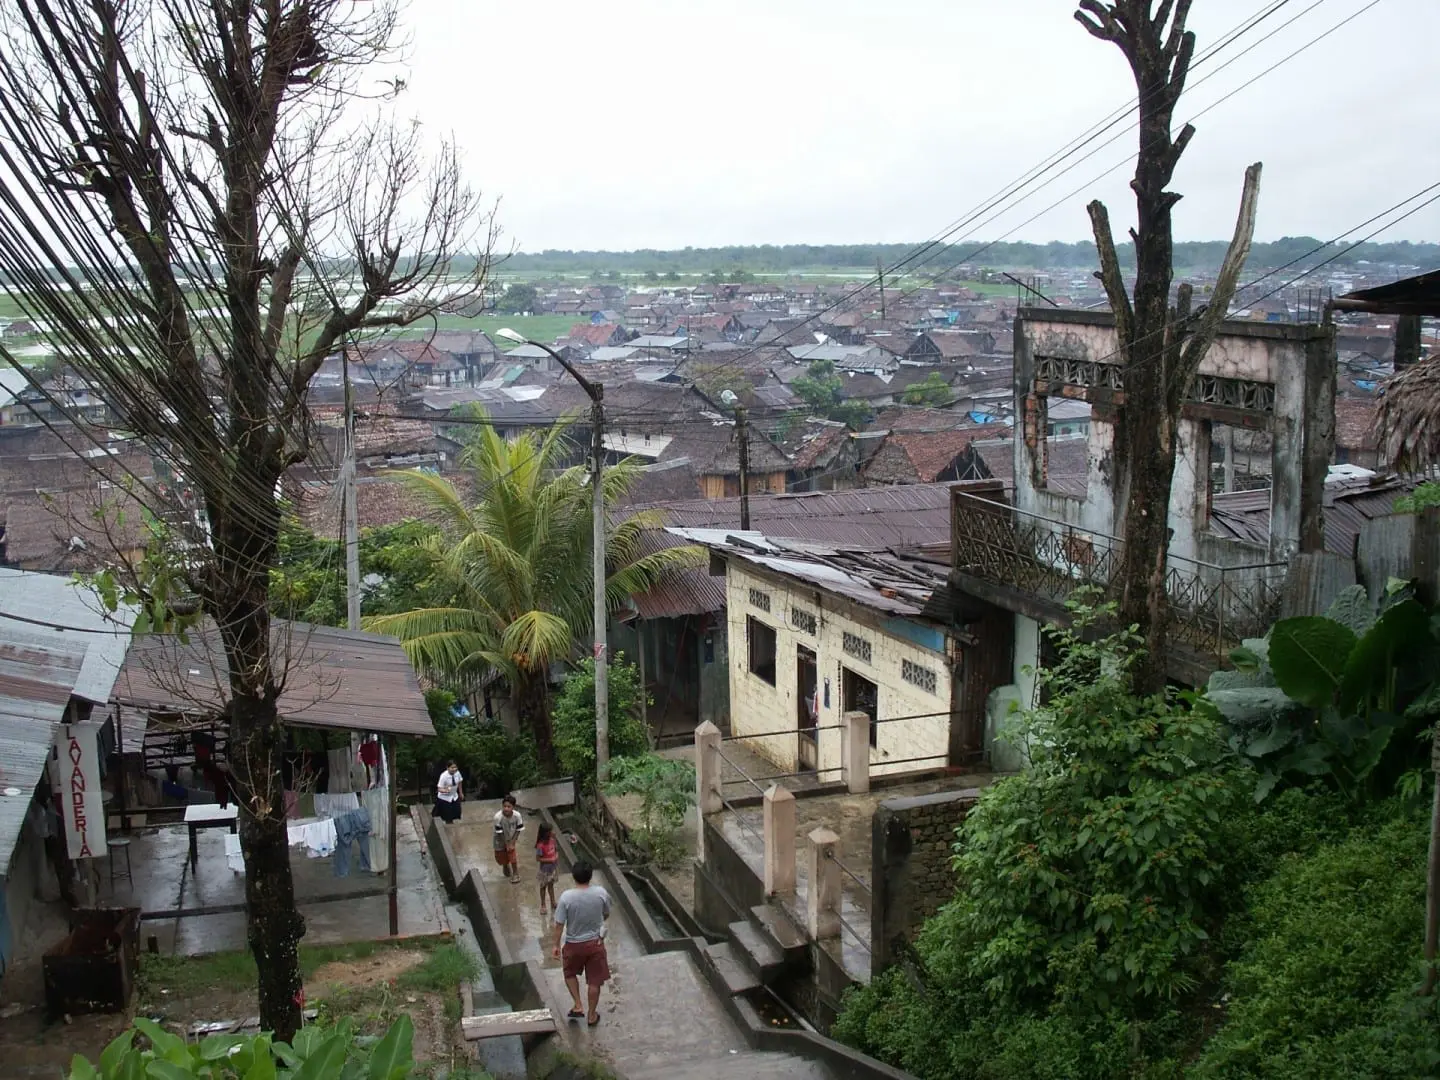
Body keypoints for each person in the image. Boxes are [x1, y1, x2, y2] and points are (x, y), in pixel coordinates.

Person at [551, 860, 611, 1026]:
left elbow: (559, 924)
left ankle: (578, 1005)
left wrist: (556, 945)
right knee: (594, 981)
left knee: (569, 973)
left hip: (573, 944)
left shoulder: (566, 897)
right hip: (595, 944)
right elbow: (606, 913)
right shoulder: (601, 893)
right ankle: (592, 1015)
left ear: (574, 877)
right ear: (590, 876)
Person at [492, 795, 524, 881]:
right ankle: (505, 864)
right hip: (499, 839)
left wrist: (512, 842)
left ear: (513, 807)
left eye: (509, 806)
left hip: (511, 837)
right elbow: (500, 833)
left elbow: (518, 829)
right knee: (501, 859)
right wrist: (506, 843)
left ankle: (516, 874)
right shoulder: (498, 817)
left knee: (511, 853)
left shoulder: (517, 816)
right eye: (504, 806)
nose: (506, 809)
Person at [535, 822, 560, 914]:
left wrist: (556, 857)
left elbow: (556, 850)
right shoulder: (540, 845)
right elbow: (538, 858)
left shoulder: (553, 840)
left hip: (552, 869)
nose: (552, 832)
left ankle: (553, 901)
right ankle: (543, 905)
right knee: (543, 887)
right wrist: (550, 859)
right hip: (544, 870)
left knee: (551, 885)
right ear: (545, 833)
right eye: (550, 831)